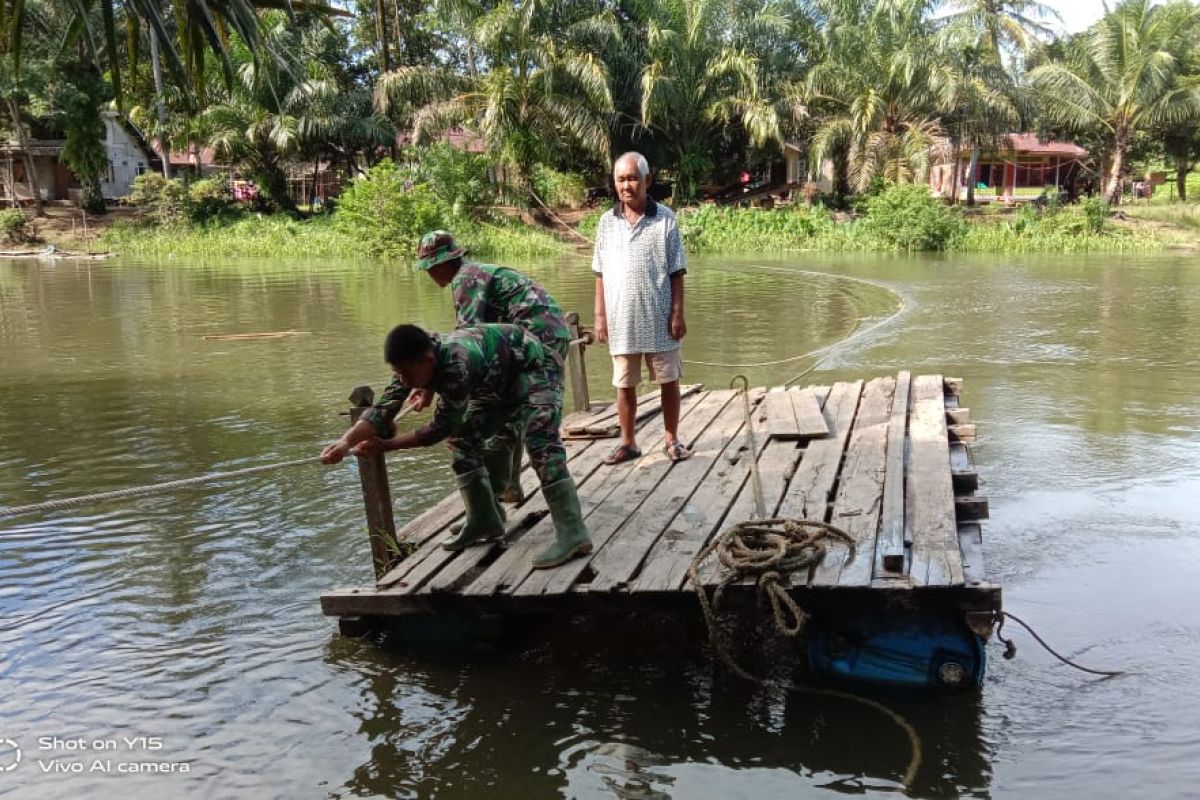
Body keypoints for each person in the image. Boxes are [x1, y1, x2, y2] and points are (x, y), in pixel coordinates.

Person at [320, 324, 592, 568]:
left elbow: (439, 428)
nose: (402, 380)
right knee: (463, 441)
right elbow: (383, 409)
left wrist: (387, 446)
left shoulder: (456, 367)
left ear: (427, 361)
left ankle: (574, 533)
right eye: (397, 373)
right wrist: (344, 443)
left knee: (541, 445)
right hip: (496, 378)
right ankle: (484, 520)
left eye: (405, 373)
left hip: (536, 369)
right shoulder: (415, 359)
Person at [412, 230, 571, 504]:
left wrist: (431, 388)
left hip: (538, 341)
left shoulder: (466, 279)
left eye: (430, 267)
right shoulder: (475, 273)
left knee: (515, 417)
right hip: (544, 336)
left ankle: (497, 497)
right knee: (508, 409)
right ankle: (508, 488)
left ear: (443, 263)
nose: (429, 273)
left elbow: (465, 345)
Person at [592, 151, 691, 466]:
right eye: (620, 179)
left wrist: (677, 313)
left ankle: (671, 438)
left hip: (660, 318)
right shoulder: (607, 222)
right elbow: (600, 273)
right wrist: (600, 318)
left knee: (668, 379)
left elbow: (677, 271)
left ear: (647, 180)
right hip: (622, 320)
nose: (626, 185)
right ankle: (628, 442)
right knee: (624, 384)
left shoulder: (665, 219)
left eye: (633, 178)